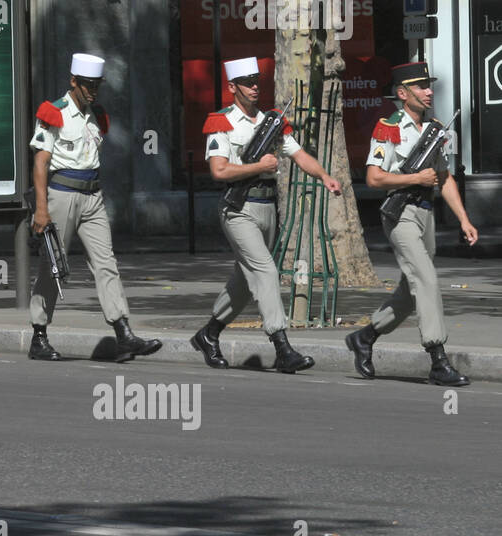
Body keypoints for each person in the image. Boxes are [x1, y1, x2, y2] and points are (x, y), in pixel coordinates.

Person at [191, 57, 341, 373]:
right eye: (247, 82)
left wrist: (324, 176)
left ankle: (209, 334)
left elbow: (299, 154)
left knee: (246, 282)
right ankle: (282, 346)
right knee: (266, 272)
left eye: (257, 80)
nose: (255, 86)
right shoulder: (222, 121)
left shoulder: (271, 121)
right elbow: (219, 171)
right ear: (232, 87)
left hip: (267, 207)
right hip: (238, 209)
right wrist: (259, 166)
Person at [345, 61, 476, 386]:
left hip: (425, 213)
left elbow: (443, 178)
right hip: (399, 214)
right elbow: (373, 178)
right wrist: (414, 177)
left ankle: (365, 337)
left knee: (409, 292)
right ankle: (437, 358)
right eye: (420, 86)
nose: (428, 91)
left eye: (428, 85)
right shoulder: (388, 127)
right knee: (427, 280)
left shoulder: (432, 129)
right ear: (403, 93)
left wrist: (463, 218)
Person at [27, 53, 162, 361]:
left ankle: (123, 331)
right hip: (62, 193)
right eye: (87, 85)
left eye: (97, 85)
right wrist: (41, 208)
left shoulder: (97, 114)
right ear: (73, 81)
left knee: (106, 262)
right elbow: (41, 163)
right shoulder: (54, 112)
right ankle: (39, 334)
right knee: (53, 266)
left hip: (93, 195)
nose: (93, 90)